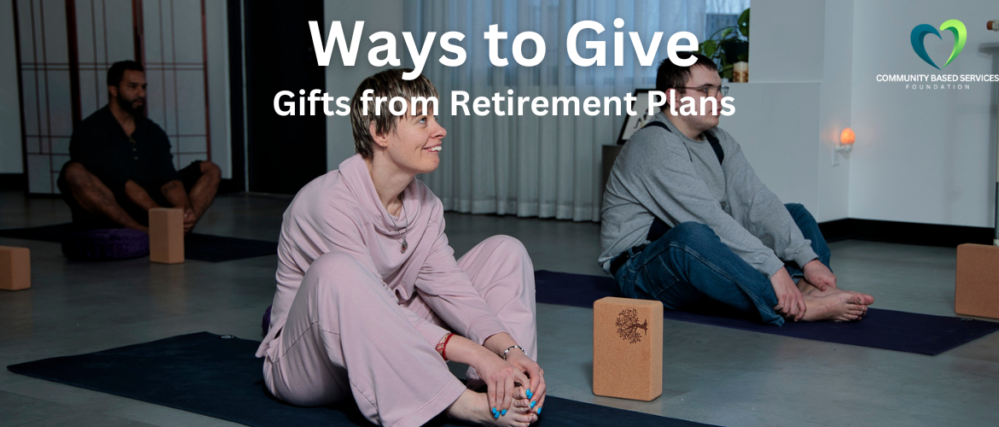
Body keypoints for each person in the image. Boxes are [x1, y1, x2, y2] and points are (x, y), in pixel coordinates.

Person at [256, 69, 545, 427]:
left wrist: (508, 351)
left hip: (393, 345)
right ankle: (465, 404)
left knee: (506, 250)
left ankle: (502, 388)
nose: (439, 130)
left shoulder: (425, 205)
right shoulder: (327, 202)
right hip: (314, 365)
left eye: (435, 117)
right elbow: (368, 305)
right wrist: (475, 351)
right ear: (380, 133)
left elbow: (455, 293)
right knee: (339, 271)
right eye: (422, 120)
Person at [599, 55, 874, 325]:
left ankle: (806, 288)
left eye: (719, 89)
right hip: (642, 269)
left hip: (706, 253)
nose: (719, 99)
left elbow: (756, 201)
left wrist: (809, 260)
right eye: (706, 90)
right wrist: (774, 268)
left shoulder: (719, 140)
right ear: (673, 97)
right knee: (692, 235)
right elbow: (707, 219)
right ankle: (792, 306)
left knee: (795, 214)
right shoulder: (655, 143)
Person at [58, 60, 221, 234]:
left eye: (143, 87)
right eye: (133, 87)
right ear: (113, 90)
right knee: (73, 171)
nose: (140, 93)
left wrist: (184, 209)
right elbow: (122, 181)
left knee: (209, 169)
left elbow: (167, 177)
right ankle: (142, 232)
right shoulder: (91, 129)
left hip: (150, 198)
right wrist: (159, 213)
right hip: (113, 205)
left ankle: (179, 229)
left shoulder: (152, 131)